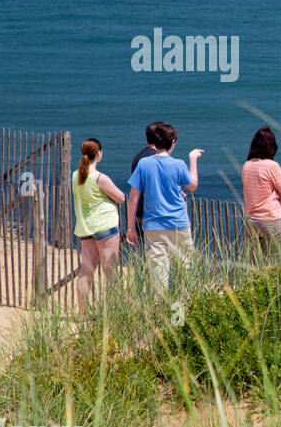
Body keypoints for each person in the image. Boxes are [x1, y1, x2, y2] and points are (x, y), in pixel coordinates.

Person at [125, 122, 202, 291]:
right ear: (173, 142)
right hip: (178, 224)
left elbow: (133, 198)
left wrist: (131, 227)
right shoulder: (179, 164)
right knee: (185, 268)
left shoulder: (144, 164)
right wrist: (193, 159)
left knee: (158, 273)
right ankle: (183, 308)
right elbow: (192, 185)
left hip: (153, 226)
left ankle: (160, 312)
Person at [71, 138, 127, 314]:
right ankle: (113, 312)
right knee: (110, 272)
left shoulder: (75, 175)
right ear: (99, 153)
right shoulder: (100, 178)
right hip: (105, 227)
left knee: (86, 272)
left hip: (85, 228)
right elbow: (121, 198)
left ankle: (83, 314)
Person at [241, 125, 281, 256]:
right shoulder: (272, 166)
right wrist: (276, 196)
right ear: (272, 146)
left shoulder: (247, 166)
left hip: (252, 220)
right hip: (271, 219)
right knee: (277, 261)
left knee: (255, 263)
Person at [129, 122, 163, 249]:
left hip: (141, 213)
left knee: (151, 253)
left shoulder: (138, 155)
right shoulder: (154, 158)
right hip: (154, 214)